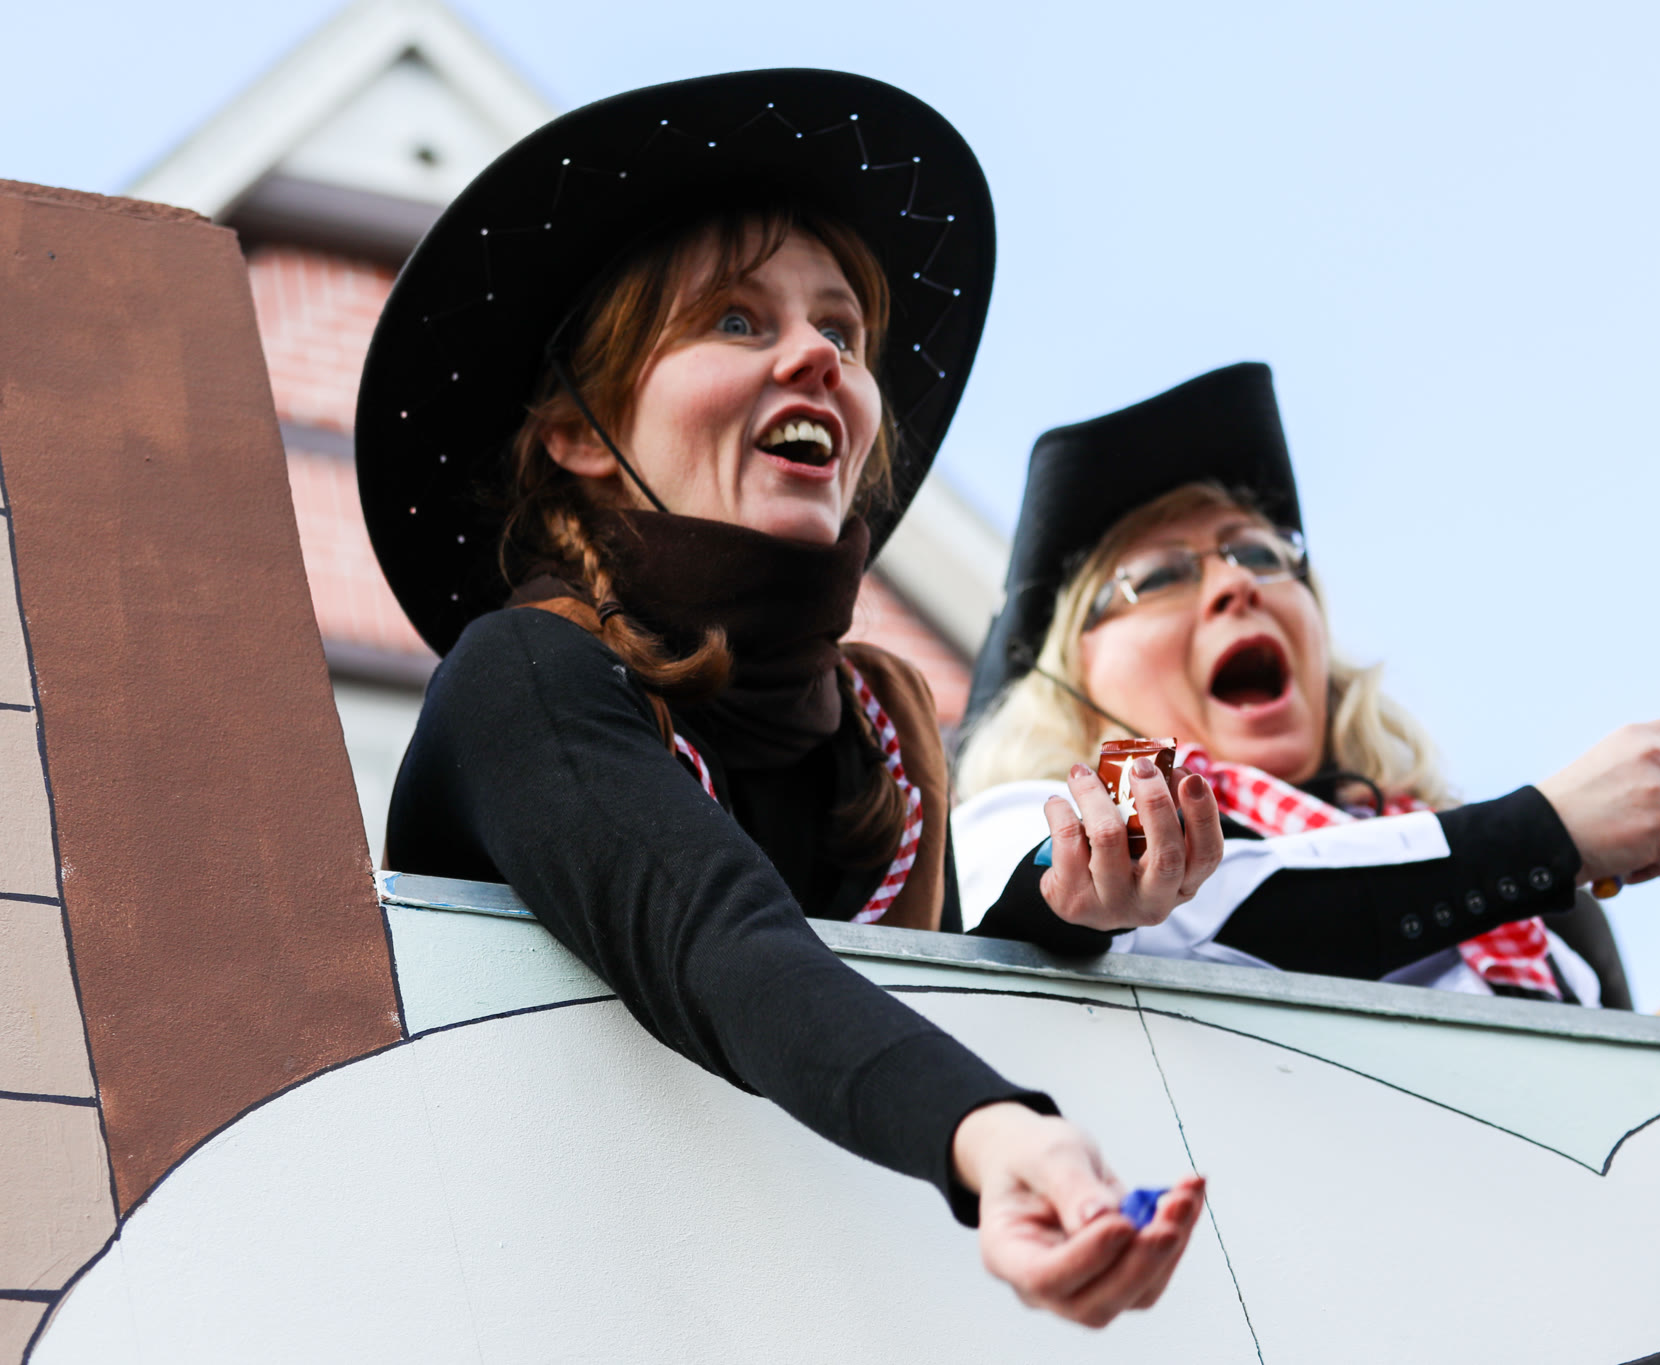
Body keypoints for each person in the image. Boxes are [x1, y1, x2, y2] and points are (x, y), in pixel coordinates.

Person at [357, 71, 1202, 1325]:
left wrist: (1066, 907)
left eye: (842, 334)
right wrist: (993, 1135)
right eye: (736, 321)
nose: (817, 356)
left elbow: (905, 996)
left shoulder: (886, 726)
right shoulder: (521, 673)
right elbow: (723, 943)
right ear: (577, 432)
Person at [953, 363, 1660, 1006]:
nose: (1235, 584)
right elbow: (1243, 913)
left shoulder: (1540, 917)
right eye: (1162, 575)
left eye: (1260, 553)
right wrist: (1545, 833)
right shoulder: (1018, 826)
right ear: (1066, 673)